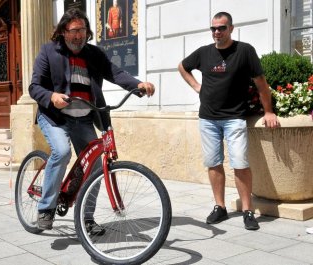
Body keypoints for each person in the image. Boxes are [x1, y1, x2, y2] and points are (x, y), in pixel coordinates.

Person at [29, 8, 155, 234]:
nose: (79, 36)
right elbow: (34, 87)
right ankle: (45, 208)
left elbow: (116, 73)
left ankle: (86, 218)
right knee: (61, 151)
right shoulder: (49, 51)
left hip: (84, 118)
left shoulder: (94, 54)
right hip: (55, 117)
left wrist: (137, 85)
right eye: (74, 30)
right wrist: (51, 96)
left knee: (96, 166)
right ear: (63, 32)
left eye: (83, 30)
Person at [178, 12, 280, 230]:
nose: (217, 32)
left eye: (221, 28)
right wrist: (198, 87)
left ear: (231, 29)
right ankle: (220, 207)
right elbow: (182, 67)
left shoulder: (245, 51)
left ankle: (248, 210)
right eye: (213, 28)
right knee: (213, 163)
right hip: (208, 118)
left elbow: (261, 84)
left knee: (240, 164)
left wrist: (268, 112)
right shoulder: (204, 53)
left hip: (234, 118)